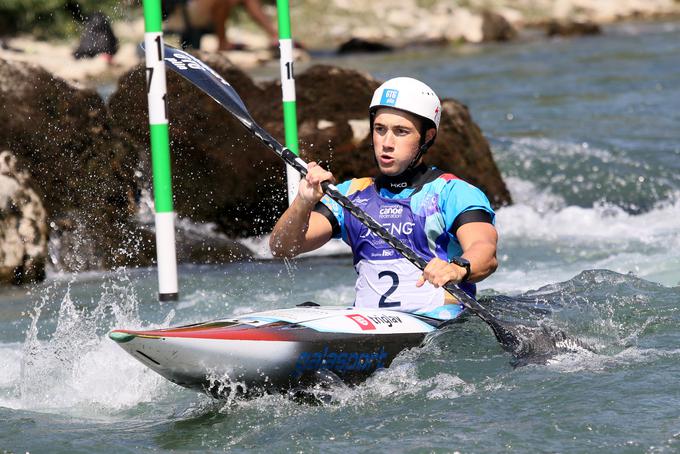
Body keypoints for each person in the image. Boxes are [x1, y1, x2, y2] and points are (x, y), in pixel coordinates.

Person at [269, 77, 498, 319]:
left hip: (441, 326)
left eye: (401, 132)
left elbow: (485, 252)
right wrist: (303, 202)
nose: (386, 143)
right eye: (380, 129)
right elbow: (283, 247)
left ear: (427, 136)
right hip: (371, 323)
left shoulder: (452, 192)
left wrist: (456, 268)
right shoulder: (350, 195)